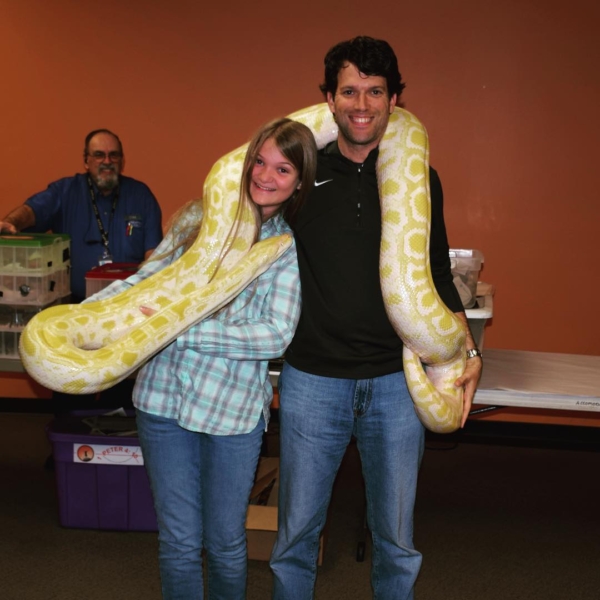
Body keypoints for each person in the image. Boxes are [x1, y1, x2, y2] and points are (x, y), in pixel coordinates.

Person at [269, 36, 483, 599]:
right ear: (329, 100)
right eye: (349, 91)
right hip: (313, 378)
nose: (361, 104)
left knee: (396, 540)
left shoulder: (420, 178)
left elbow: (437, 272)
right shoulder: (302, 174)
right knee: (295, 537)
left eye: (374, 91)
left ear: (394, 101)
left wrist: (470, 352)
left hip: (395, 381)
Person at [87, 118, 317, 599]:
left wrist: (181, 327)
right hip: (161, 401)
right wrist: (90, 312)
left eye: (282, 169)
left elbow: (274, 335)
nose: (265, 176)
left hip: (231, 412)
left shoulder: (283, 250)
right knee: (177, 542)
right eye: (259, 161)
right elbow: (145, 284)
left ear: (298, 183)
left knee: (226, 541)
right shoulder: (196, 222)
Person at [0, 129, 163, 302]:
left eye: (114, 155)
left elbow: (155, 257)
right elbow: (33, 210)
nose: (107, 161)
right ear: (86, 161)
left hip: (128, 303)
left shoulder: (141, 196)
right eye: (99, 155)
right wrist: (10, 222)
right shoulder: (65, 192)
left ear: (122, 161)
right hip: (73, 305)